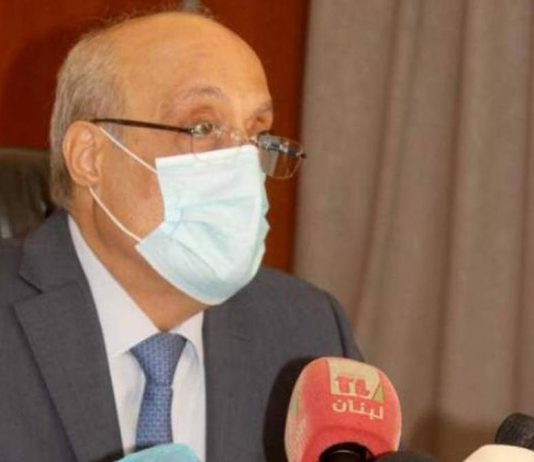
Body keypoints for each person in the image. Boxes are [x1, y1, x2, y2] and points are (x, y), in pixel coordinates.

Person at [0, 8, 362, 462]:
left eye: (258, 134)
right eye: (203, 128)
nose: (242, 164)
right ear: (90, 156)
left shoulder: (306, 331)